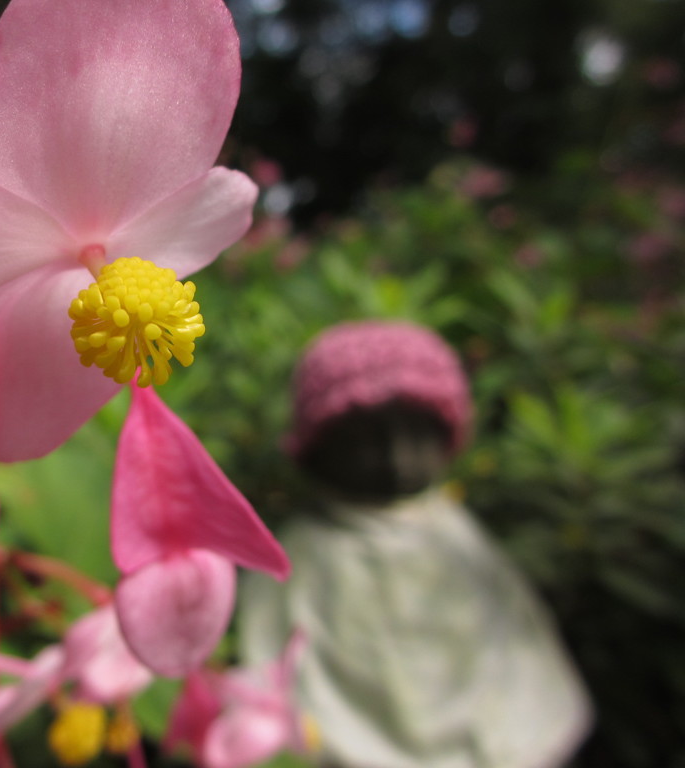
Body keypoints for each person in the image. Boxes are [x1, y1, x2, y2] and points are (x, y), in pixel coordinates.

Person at [239, 321, 592, 768]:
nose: (396, 457)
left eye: (418, 433)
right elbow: (265, 667)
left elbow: (518, 651)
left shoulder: (456, 535)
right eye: (364, 436)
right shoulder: (302, 556)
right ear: (319, 446)